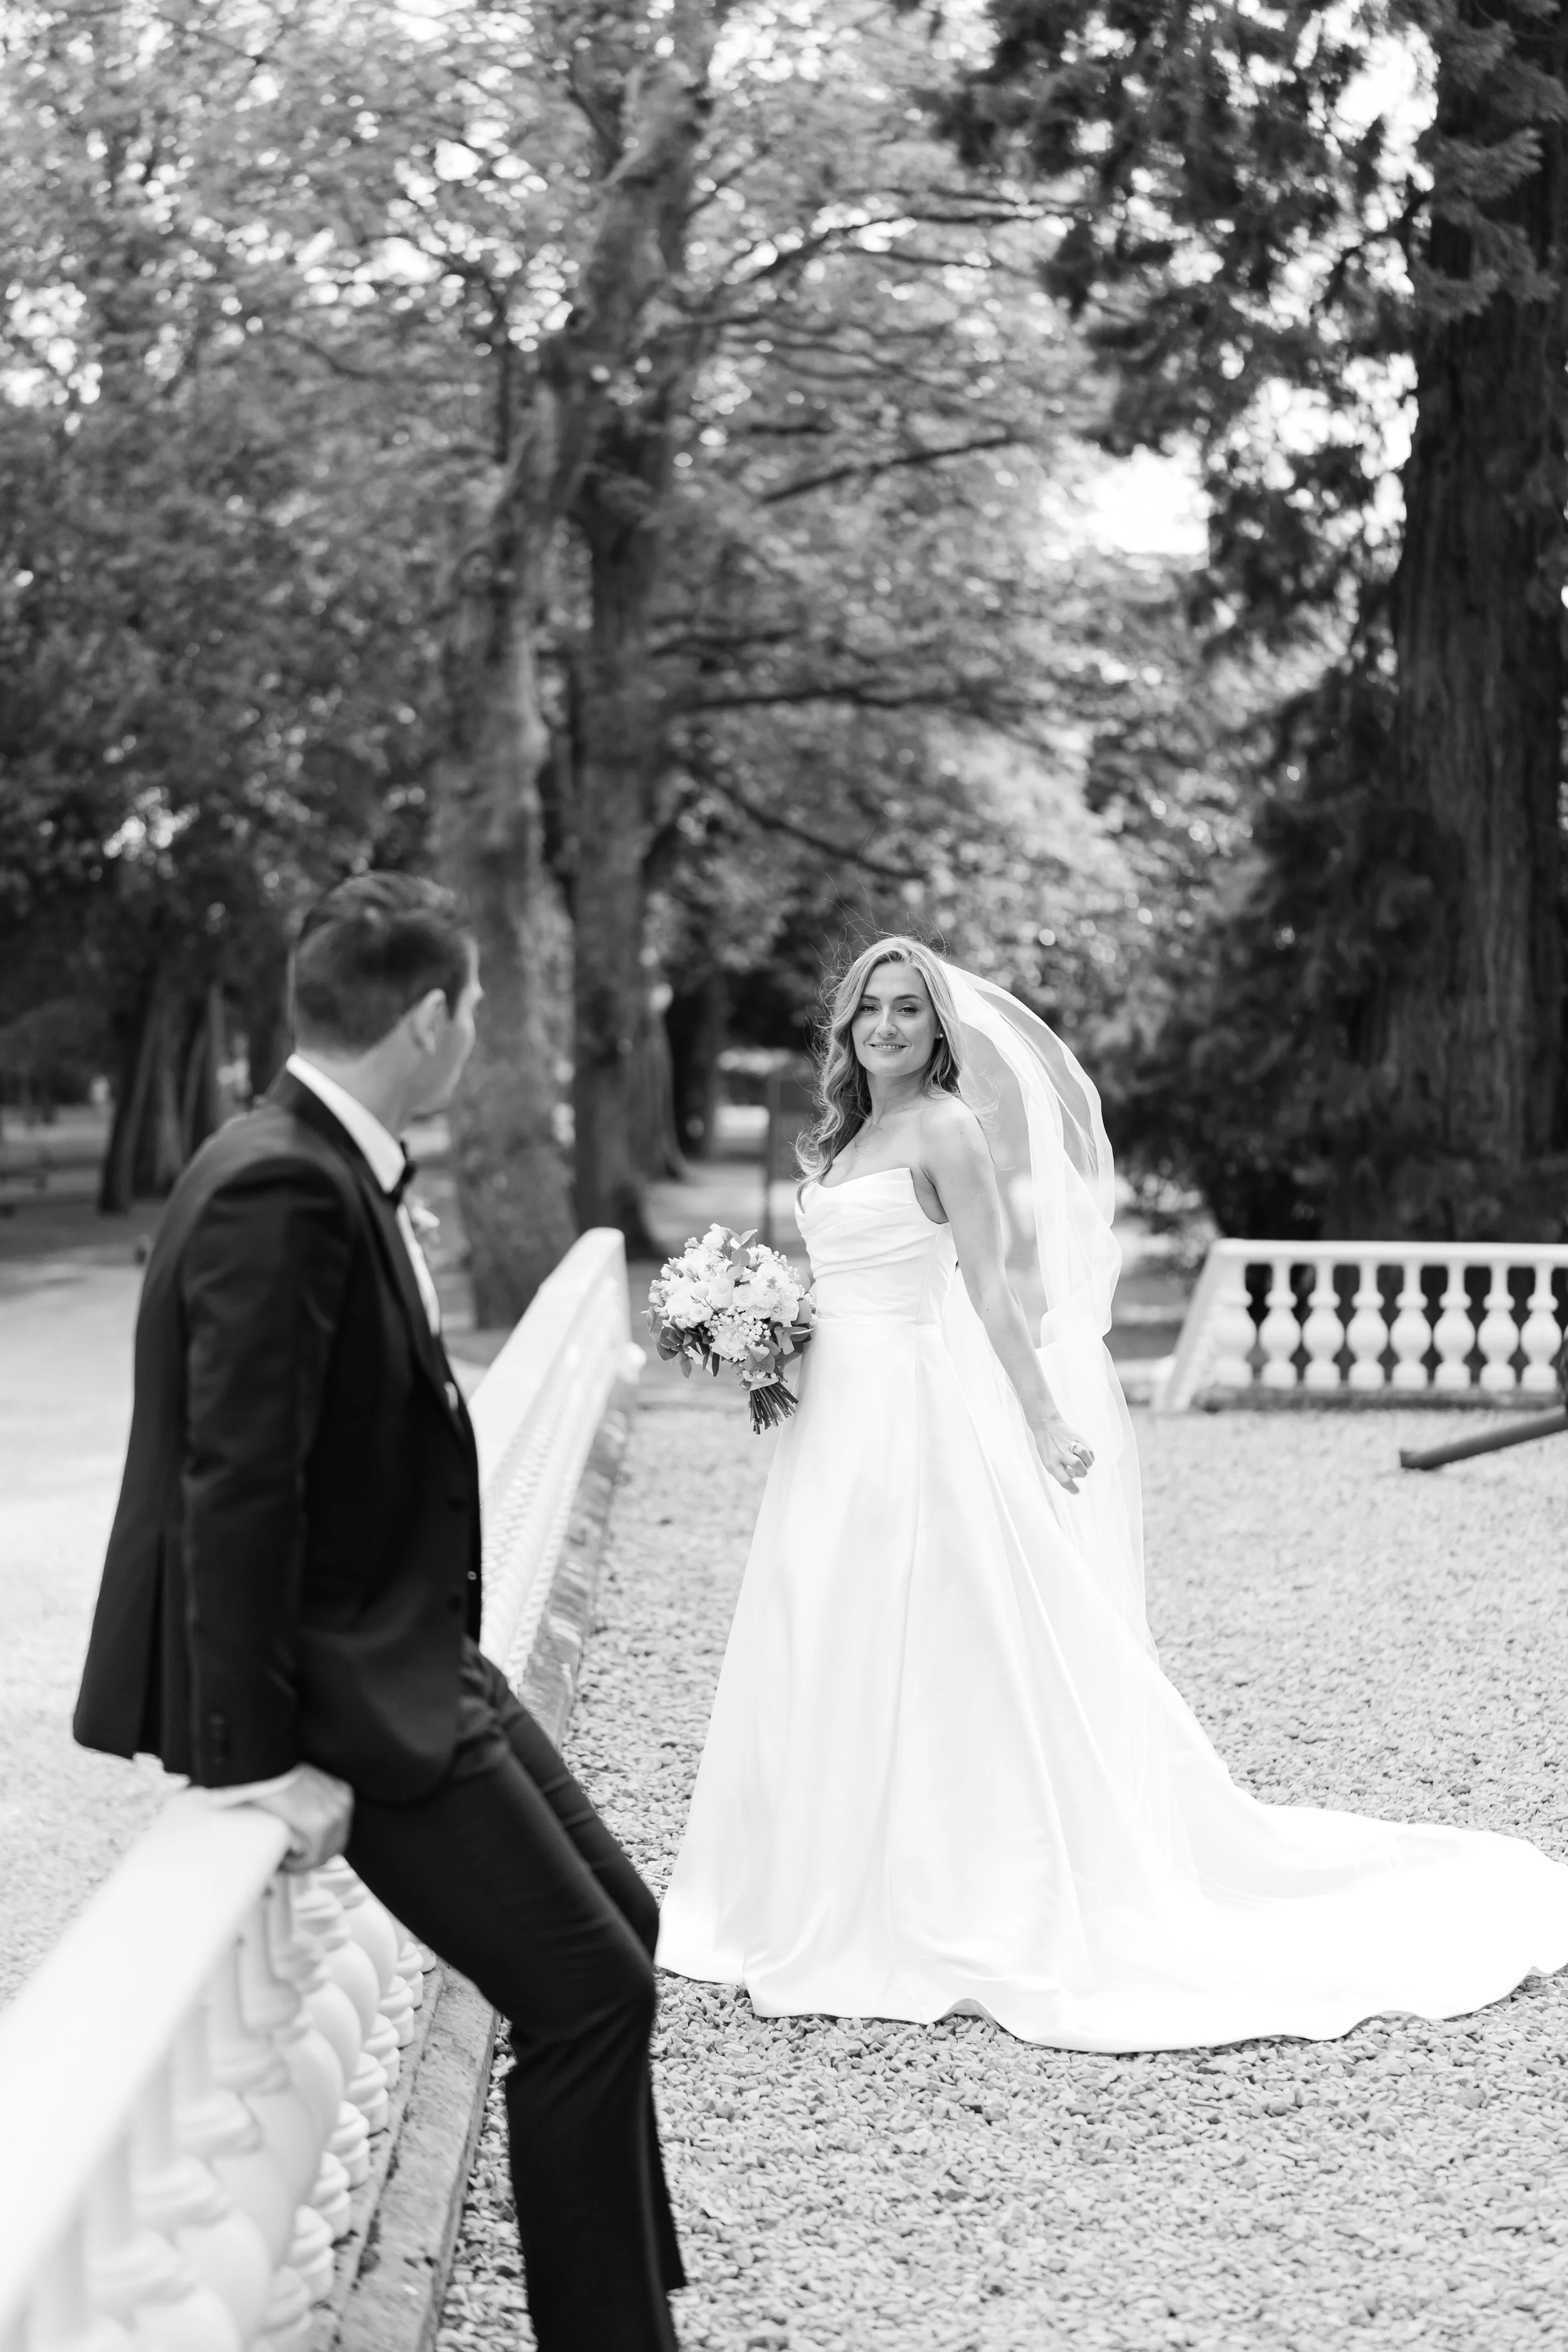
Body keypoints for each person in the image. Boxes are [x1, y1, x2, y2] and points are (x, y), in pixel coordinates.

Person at [657, 933, 1568, 2048]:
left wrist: (1043, 1416)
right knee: (817, 1614)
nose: (885, 1027)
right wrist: (764, 1330)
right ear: (845, 1029)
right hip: (829, 1414)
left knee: (929, 1627)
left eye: (906, 1009)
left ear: (939, 1027)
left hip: (907, 1414)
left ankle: (944, 1884)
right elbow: (842, 1280)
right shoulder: (844, 1136)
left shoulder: (947, 1130)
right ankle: (798, 1876)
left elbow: (992, 1290)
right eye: (868, 1011)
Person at [74, 872, 684, 2352]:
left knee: (628, 1928)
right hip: (353, 1683)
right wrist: (250, 1755)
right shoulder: (284, 1181)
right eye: (473, 1006)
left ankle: (631, 2288)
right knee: (589, 1994)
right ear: (428, 1019)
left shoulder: (319, 1154)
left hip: (417, 1645)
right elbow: (237, 1481)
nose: (476, 1030)